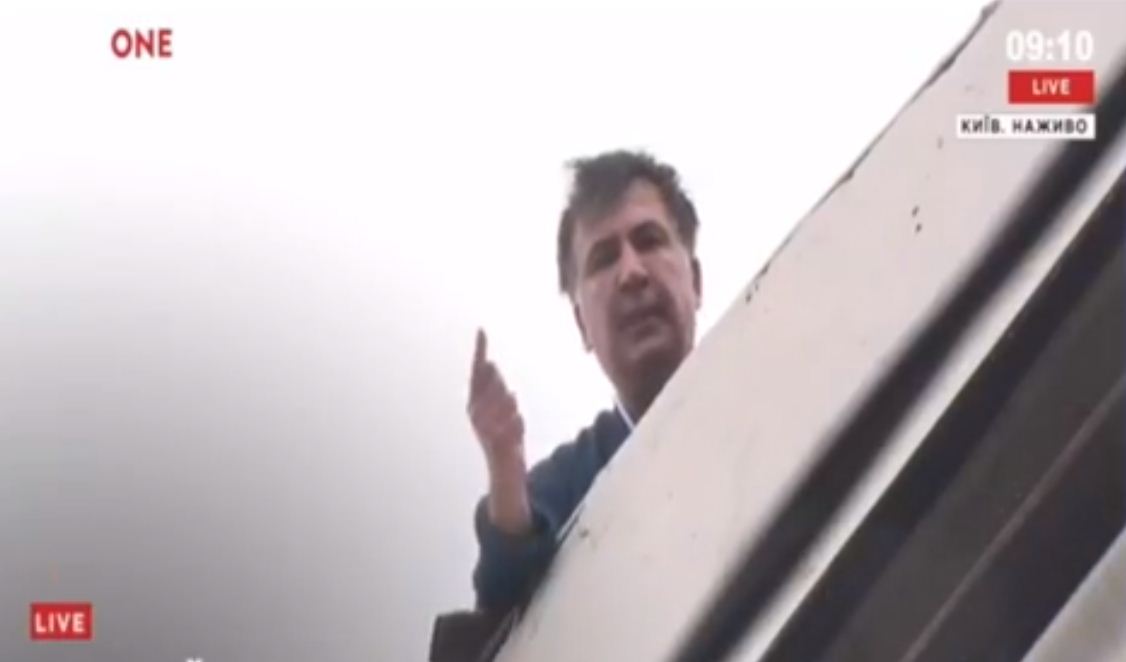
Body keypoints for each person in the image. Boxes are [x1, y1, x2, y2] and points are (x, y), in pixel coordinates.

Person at [466, 149, 703, 614]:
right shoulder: (567, 487)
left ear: (695, 281)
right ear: (582, 326)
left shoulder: (783, 384)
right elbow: (504, 594)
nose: (631, 273)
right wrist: (504, 471)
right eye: (604, 258)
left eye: (649, 240)